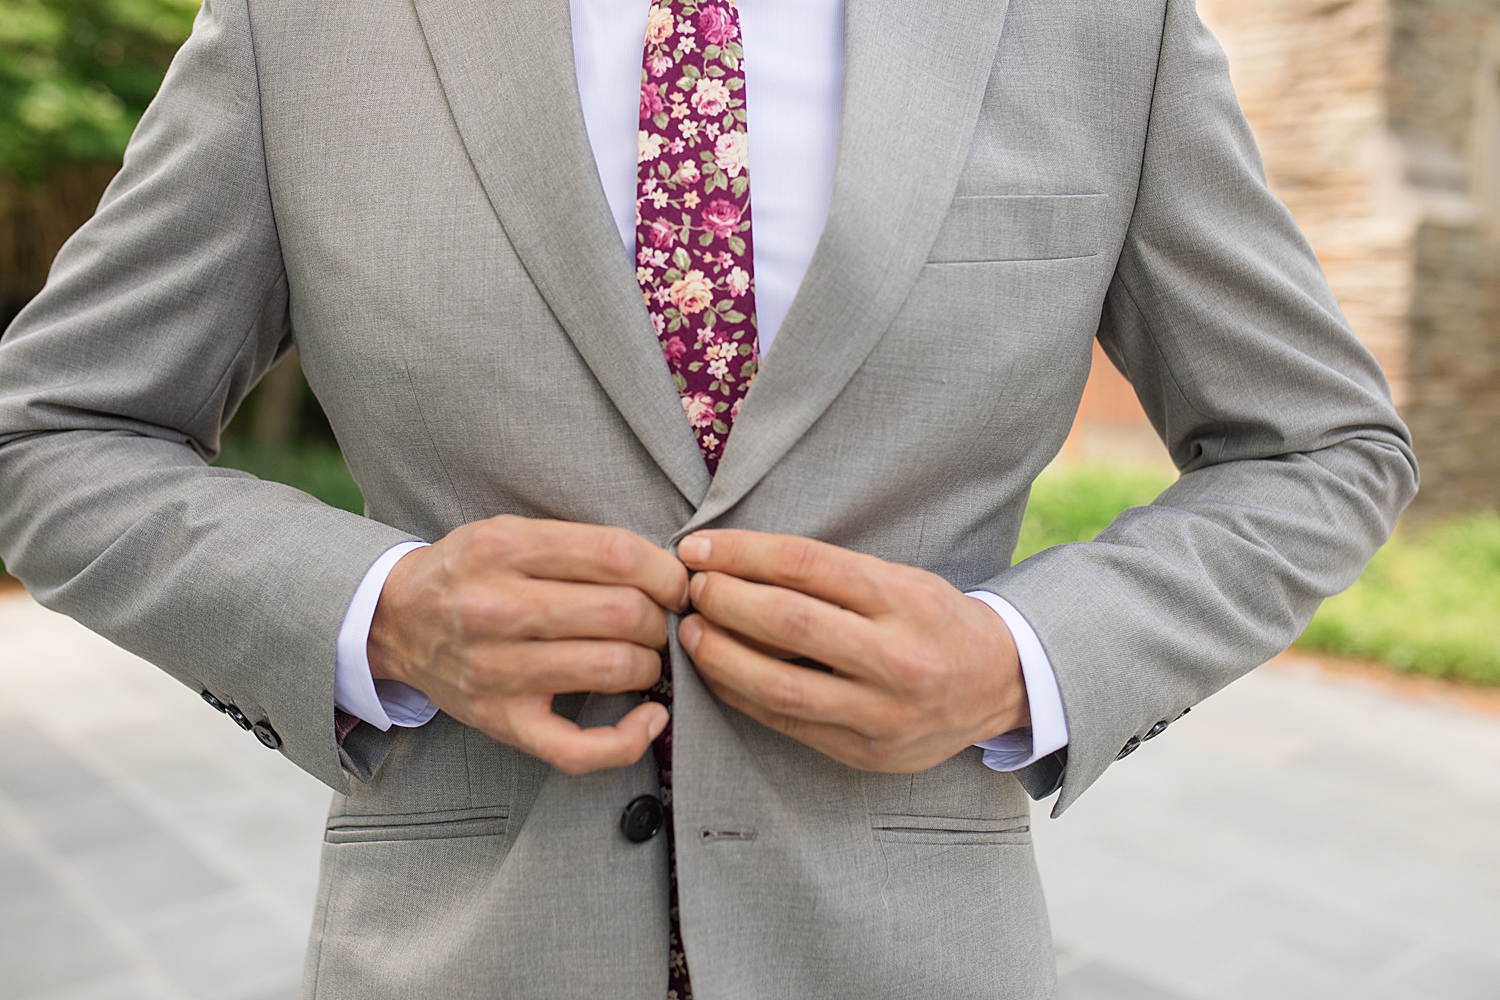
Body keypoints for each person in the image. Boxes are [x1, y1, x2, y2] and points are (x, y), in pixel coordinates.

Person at [0, 0, 1416, 996]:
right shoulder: (305, 27)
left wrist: (1018, 664)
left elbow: (1323, 446)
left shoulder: (1106, 26)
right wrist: (379, 616)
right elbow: (52, 432)